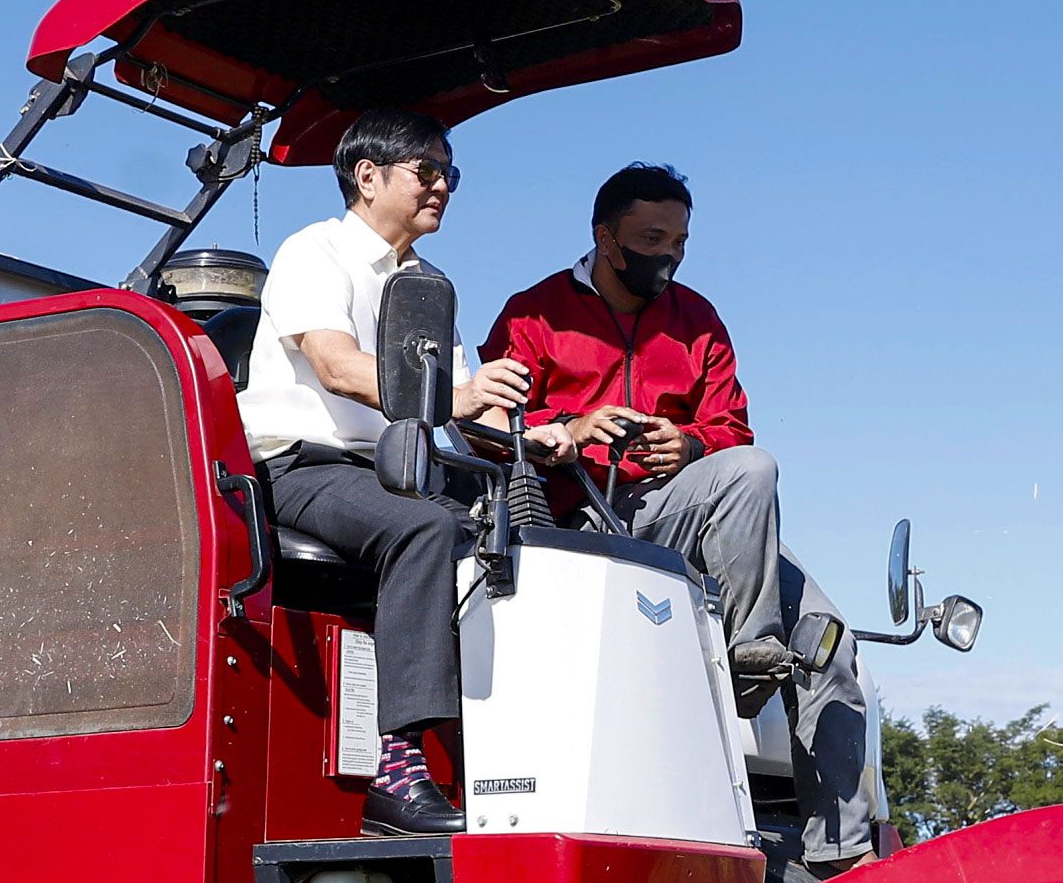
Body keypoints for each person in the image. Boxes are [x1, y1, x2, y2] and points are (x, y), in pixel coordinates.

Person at [240, 109, 529, 834]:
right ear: (367, 177)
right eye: (426, 171)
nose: (442, 187)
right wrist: (459, 399)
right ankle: (397, 770)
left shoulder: (427, 284)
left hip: (392, 469)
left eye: (449, 174)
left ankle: (514, 751)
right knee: (424, 528)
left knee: (521, 534)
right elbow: (338, 368)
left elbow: (463, 407)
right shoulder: (314, 252)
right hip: (301, 466)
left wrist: (539, 436)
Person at [481, 162, 797, 689]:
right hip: (578, 517)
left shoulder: (699, 318)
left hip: (689, 510)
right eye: (653, 239)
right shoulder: (533, 314)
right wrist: (573, 429)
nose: (670, 255)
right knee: (753, 470)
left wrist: (690, 446)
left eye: (680, 241)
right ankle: (748, 654)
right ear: (605, 239)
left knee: (830, 641)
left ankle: (753, 666)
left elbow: (733, 428)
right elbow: (490, 424)